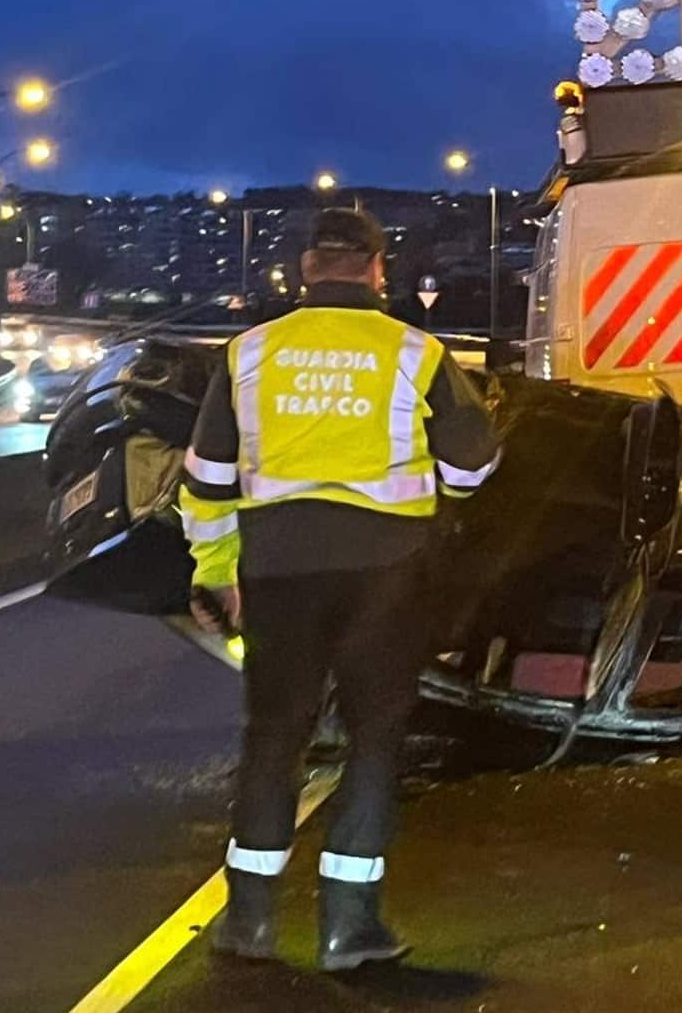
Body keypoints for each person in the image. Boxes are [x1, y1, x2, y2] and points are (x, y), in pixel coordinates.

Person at [180, 209, 500, 970]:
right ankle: (348, 928)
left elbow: (205, 478)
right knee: (375, 740)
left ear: (304, 269)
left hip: (278, 572)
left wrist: (217, 572)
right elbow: (473, 468)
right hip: (384, 573)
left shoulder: (249, 352)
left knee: (274, 737)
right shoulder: (416, 352)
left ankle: (249, 923)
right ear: (377, 269)